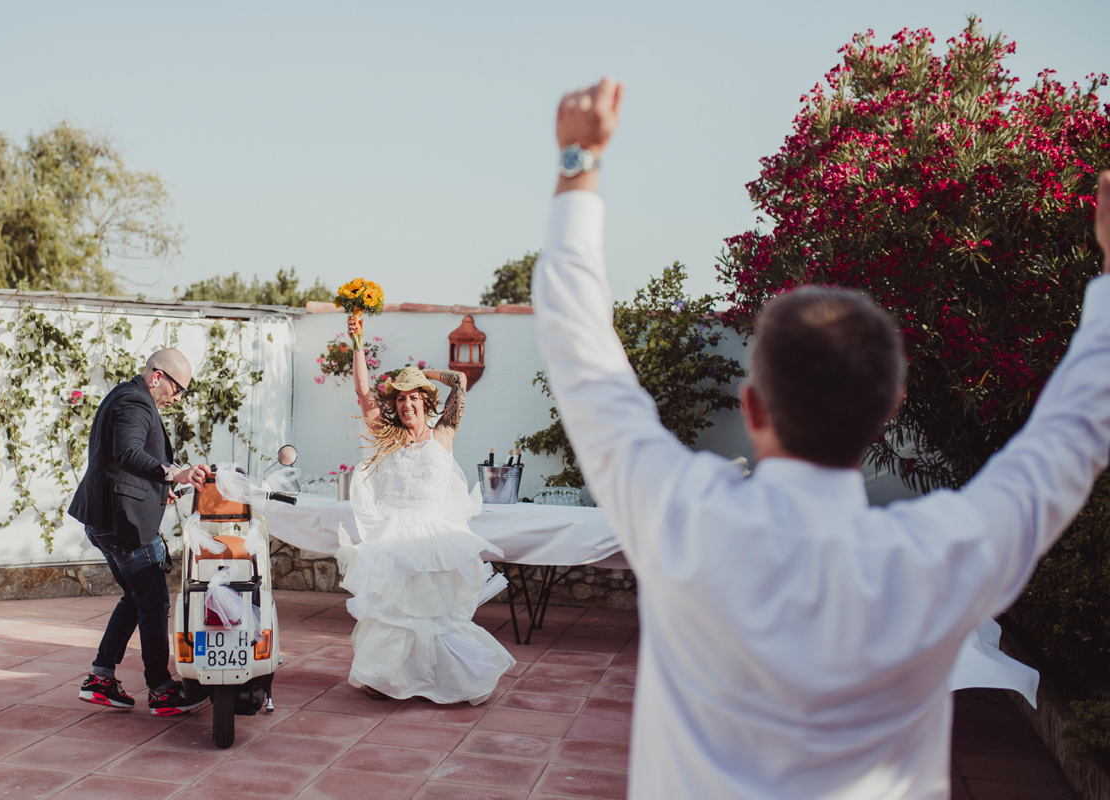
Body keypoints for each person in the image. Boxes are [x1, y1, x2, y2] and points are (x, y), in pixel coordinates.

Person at [531, 76, 1110, 799]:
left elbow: (578, 345)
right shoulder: (942, 554)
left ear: (752, 405)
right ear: (890, 409)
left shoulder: (681, 515)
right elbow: (1075, 432)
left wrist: (579, 159)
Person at [333, 315, 515, 703]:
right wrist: (357, 344)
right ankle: (385, 677)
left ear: (425, 401)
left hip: (435, 537)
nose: (406, 404)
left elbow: (460, 382)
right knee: (395, 612)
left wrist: (420, 373)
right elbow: (364, 392)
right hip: (396, 535)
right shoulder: (387, 437)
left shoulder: (443, 432)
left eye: (413, 397)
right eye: (400, 398)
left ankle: (449, 678)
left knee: (436, 613)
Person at [69, 348, 212, 716]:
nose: (177, 398)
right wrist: (172, 474)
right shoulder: (135, 402)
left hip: (104, 521)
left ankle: (101, 678)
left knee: (135, 598)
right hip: (125, 526)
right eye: (178, 390)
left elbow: (122, 463)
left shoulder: (123, 395)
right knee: (154, 605)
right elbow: (129, 452)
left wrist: (162, 484)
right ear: (158, 377)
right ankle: (161, 692)